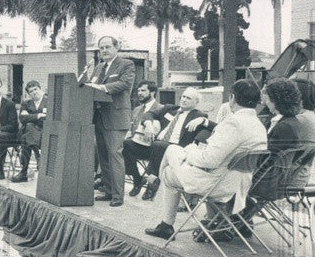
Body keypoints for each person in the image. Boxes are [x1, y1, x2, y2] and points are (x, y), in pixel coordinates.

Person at [144, 79, 268, 240]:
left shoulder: (233, 122)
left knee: (170, 162)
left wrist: (190, 153)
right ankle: (162, 203)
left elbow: (209, 161)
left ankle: (165, 223)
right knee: (174, 156)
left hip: (216, 184)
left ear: (232, 98)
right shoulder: (258, 125)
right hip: (240, 183)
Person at [82, 36, 136, 207]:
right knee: (103, 156)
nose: (104, 50)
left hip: (116, 117)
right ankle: (108, 189)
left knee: (115, 155)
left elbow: (124, 84)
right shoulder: (98, 67)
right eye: (101, 48)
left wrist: (103, 88)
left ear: (116, 47)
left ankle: (118, 196)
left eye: (107, 47)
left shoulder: (126, 64)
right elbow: (92, 85)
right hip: (99, 116)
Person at [137, 86, 213, 201]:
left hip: (176, 149)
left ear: (196, 102)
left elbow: (214, 127)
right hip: (155, 146)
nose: (184, 99)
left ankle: (152, 183)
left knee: (159, 145)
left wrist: (204, 121)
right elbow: (149, 114)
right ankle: (137, 179)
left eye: (188, 98)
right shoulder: (170, 109)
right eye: (183, 96)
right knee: (126, 145)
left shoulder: (199, 116)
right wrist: (148, 124)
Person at [10, 80, 48, 183]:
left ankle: (23, 172)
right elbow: (22, 119)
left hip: (45, 134)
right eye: (31, 91)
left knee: (26, 137)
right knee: (29, 129)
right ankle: (38, 156)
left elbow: (49, 118)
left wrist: (30, 117)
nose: (34, 92)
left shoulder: (49, 101)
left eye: (36, 89)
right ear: (29, 94)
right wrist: (39, 116)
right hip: (32, 135)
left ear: (40, 89)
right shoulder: (26, 104)